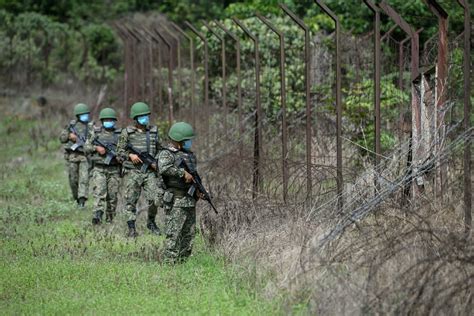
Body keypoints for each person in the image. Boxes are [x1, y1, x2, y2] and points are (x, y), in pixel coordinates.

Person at [116, 102, 164, 237]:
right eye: (142, 116)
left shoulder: (153, 132)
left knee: (155, 198)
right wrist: (129, 155)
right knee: (130, 200)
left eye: (146, 115)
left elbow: (161, 150)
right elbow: (119, 151)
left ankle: (151, 222)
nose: (145, 118)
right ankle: (131, 228)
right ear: (135, 118)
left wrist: (157, 162)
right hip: (132, 172)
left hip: (150, 172)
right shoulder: (127, 133)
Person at [158, 122, 201, 262]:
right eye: (187, 140)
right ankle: (170, 263)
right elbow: (163, 168)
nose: (190, 143)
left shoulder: (190, 155)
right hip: (176, 200)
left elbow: (194, 175)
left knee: (189, 233)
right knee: (174, 234)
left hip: (189, 200)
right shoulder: (166, 154)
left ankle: (184, 262)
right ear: (178, 140)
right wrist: (182, 173)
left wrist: (198, 192)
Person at [85, 107, 122, 224]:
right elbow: (86, 147)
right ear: (102, 121)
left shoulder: (120, 134)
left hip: (114, 169)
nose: (108, 122)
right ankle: (97, 216)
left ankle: (110, 219)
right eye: (106, 120)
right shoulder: (95, 133)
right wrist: (96, 148)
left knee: (112, 196)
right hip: (99, 168)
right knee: (99, 193)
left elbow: (124, 151)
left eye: (111, 120)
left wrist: (120, 157)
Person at [59, 103, 93, 208]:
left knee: (84, 179)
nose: (85, 116)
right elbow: (62, 139)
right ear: (77, 116)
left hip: (85, 157)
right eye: (83, 115)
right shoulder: (71, 126)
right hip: (72, 156)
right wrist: (69, 135)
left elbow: (95, 140)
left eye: (86, 114)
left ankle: (82, 202)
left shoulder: (91, 127)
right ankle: (76, 199)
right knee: (73, 180)